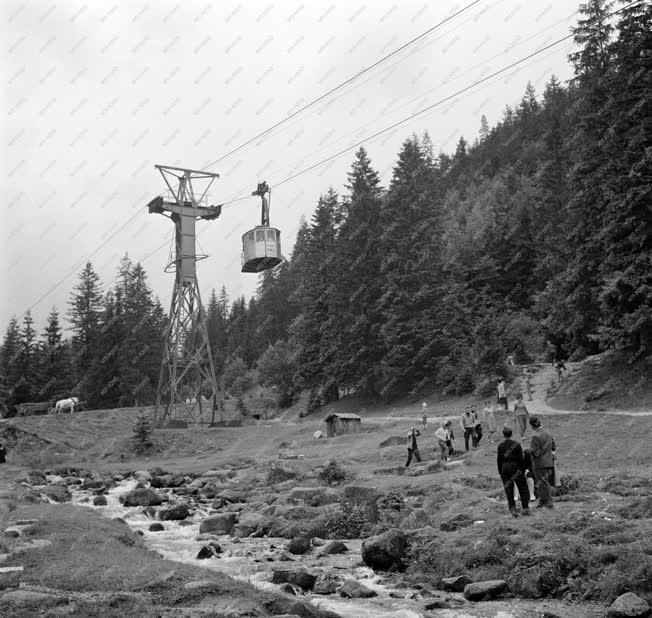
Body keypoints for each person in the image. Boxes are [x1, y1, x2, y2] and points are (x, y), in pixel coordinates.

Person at [497, 427, 531, 517]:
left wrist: (500, 472)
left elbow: (499, 460)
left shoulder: (500, 446)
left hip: (504, 468)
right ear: (512, 434)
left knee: (509, 489)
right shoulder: (516, 444)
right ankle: (525, 508)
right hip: (515, 467)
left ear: (503, 435)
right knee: (523, 488)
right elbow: (521, 459)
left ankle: (513, 510)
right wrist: (523, 470)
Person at [529, 416, 556, 509]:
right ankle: (543, 501)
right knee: (544, 483)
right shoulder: (548, 433)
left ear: (532, 426)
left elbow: (535, 452)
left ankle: (548, 503)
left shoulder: (535, 436)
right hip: (549, 462)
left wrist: (526, 451)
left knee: (542, 483)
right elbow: (553, 446)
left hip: (540, 463)